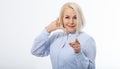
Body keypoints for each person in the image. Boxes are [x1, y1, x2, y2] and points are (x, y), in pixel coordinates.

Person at [31, 2, 96, 69]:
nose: (71, 22)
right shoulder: (55, 36)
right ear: (62, 19)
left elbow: (91, 68)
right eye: (67, 17)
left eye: (75, 17)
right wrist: (48, 29)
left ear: (80, 19)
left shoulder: (87, 40)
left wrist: (78, 53)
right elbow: (35, 51)